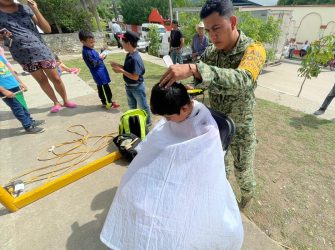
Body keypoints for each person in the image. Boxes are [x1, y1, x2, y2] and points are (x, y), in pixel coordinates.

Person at [100, 82, 243, 249]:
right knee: (131, 191)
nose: (166, 121)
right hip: (170, 168)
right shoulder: (175, 112)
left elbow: (205, 164)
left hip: (190, 178)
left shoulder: (206, 129)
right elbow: (158, 140)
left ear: (184, 108)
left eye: (168, 117)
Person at [159, 0, 267, 208]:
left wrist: (193, 68)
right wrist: (188, 91)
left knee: (243, 171)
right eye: (208, 30)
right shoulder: (211, 52)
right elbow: (202, 84)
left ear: (233, 21)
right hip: (217, 126)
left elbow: (243, 80)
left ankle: (246, 200)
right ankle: (223, 202)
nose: (212, 35)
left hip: (242, 128)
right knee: (220, 170)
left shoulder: (254, 49)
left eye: (216, 28)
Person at [0, 0, 76, 113]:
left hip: (40, 49)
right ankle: (55, 102)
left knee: (56, 78)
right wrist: (2, 37)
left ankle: (65, 100)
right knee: (41, 80)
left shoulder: (25, 8)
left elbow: (47, 29)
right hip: (22, 54)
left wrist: (35, 9)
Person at [110, 31, 152, 126]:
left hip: (137, 87)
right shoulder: (129, 54)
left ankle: (148, 122)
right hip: (129, 86)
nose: (122, 44)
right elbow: (129, 69)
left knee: (143, 106)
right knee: (132, 106)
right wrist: (118, 65)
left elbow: (135, 76)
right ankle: (134, 122)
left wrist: (121, 71)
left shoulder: (135, 58)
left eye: (123, 42)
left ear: (128, 43)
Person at [0, 47, 45, 133]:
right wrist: (3, 91)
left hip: (14, 85)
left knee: (22, 104)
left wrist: (20, 82)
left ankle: (30, 121)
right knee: (17, 107)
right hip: (5, 89)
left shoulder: (0, 57)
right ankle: (28, 126)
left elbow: (10, 70)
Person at [79, 30, 120, 110]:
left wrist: (102, 52)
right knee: (104, 87)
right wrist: (101, 59)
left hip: (101, 70)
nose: (93, 44)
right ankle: (108, 102)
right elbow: (93, 64)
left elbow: (97, 57)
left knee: (102, 87)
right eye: (91, 43)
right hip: (98, 73)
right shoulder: (86, 52)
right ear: (82, 42)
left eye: (93, 42)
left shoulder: (90, 49)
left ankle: (106, 102)